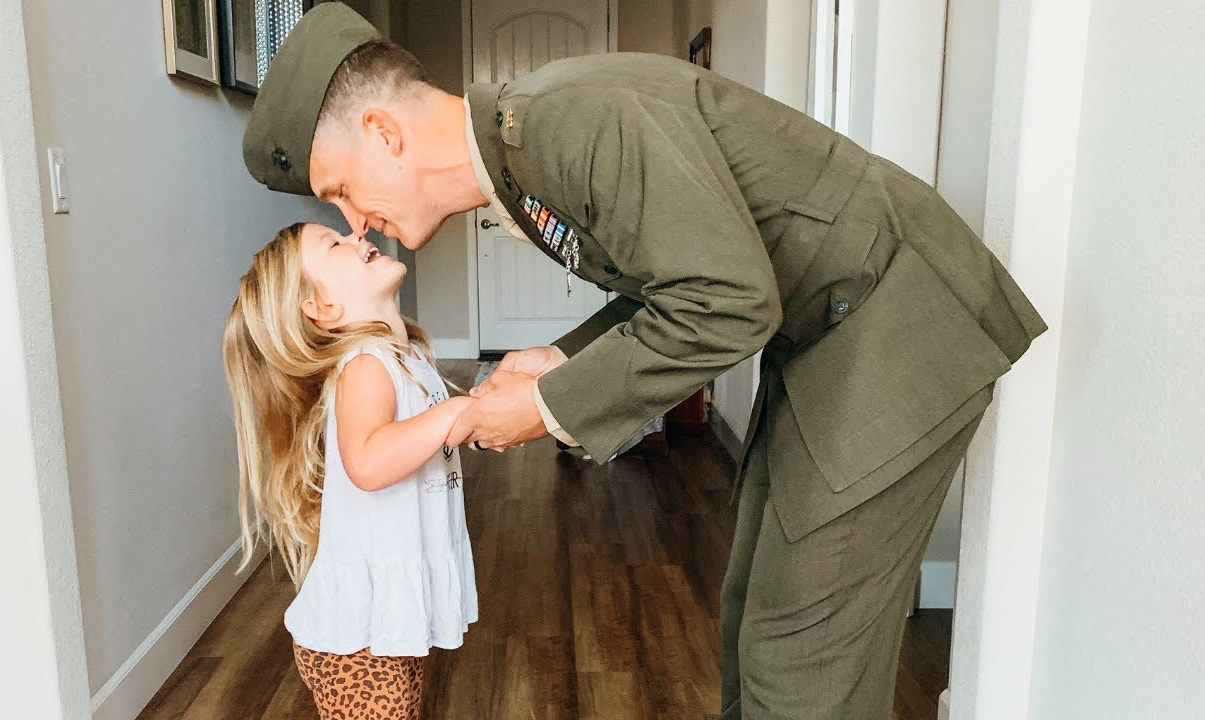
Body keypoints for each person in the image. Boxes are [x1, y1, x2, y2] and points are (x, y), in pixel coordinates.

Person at [240, 5, 1047, 718]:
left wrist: (545, 407)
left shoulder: (569, 125)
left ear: (384, 135)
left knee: (799, 656)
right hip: (822, 332)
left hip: (891, 315)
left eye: (340, 188)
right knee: (753, 614)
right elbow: (683, 277)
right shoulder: (521, 156)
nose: (354, 221)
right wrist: (560, 357)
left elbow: (728, 300)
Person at [222, 222, 478, 720]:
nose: (358, 236)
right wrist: (454, 413)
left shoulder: (406, 357)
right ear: (322, 308)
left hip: (385, 623)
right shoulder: (366, 364)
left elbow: (416, 446)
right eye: (335, 244)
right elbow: (368, 461)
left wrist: (474, 420)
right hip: (357, 642)